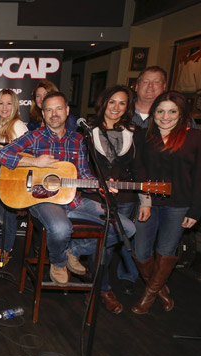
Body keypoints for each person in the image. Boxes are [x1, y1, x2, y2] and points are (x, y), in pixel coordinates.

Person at [0, 91, 136, 286]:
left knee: (127, 228)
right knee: (61, 228)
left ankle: (73, 251)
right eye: (49, 110)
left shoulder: (78, 139)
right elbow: (1, 156)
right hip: (42, 200)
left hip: (72, 199)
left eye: (59, 108)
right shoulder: (33, 136)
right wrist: (35, 162)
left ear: (67, 111)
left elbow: (84, 173)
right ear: (43, 114)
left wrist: (101, 186)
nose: (54, 114)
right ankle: (58, 262)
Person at [132, 91, 201, 314]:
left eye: (172, 111)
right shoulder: (143, 136)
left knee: (165, 251)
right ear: (153, 113)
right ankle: (161, 289)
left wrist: (196, 210)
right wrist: (145, 201)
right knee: (141, 251)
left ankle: (148, 296)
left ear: (181, 114)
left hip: (179, 205)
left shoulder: (196, 137)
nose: (165, 116)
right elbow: (139, 170)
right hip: (149, 204)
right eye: (160, 111)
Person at [83, 85, 149, 313]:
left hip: (126, 197)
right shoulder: (86, 130)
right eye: (112, 102)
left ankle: (95, 281)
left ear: (127, 107)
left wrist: (146, 201)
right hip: (94, 197)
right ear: (103, 103)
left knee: (112, 242)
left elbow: (140, 168)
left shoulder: (135, 132)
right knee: (103, 246)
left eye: (122, 103)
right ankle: (103, 288)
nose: (116, 107)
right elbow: (80, 165)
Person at [0, 89, 27, 272]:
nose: (5, 107)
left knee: (9, 218)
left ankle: (5, 252)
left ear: (15, 105)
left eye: (9, 103)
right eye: (1, 103)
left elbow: (27, 156)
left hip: (11, 179)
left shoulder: (18, 126)